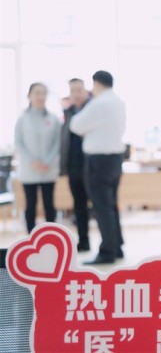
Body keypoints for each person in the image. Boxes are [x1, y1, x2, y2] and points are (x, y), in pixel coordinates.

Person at [70, 71, 126, 265]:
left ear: (97, 83)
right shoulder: (119, 102)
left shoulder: (98, 103)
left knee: (102, 207)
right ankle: (117, 246)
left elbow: (76, 125)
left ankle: (107, 251)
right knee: (111, 205)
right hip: (115, 159)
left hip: (98, 161)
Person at [14, 83, 61, 233]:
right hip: (29, 170)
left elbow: (58, 142)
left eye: (43, 93)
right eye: (37, 93)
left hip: (49, 169)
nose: (40, 97)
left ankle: (51, 236)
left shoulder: (53, 119)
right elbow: (19, 143)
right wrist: (32, 161)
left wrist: (48, 161)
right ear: (29, 96)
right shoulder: (22, 119)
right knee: (30, 205)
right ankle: (31, 237)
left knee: (49, 205)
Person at [61, 78, 92, 252]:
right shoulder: (68, 112)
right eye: (73, 91)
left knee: (99, 206)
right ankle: (84, 241)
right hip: (73, 166)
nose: (76, 94)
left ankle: (109, 244)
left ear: (85, 90)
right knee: (79, 206)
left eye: (79, 90)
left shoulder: (93, 109)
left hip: (91, 165)